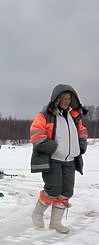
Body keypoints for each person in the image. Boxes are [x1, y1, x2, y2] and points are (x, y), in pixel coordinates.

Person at [30, 84, 88, 233]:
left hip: (70, 160)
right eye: (63, 98)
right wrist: (53, 147)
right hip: (53, 159)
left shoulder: (74, 116)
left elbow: (82, 131)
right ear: (56, 98)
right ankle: (37, 214)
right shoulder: (45, 115)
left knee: (67, 191)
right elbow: (36, 134)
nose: (66, 101)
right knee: (53, 189)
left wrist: (81, 144)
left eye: (68, 98)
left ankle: (56, 222)